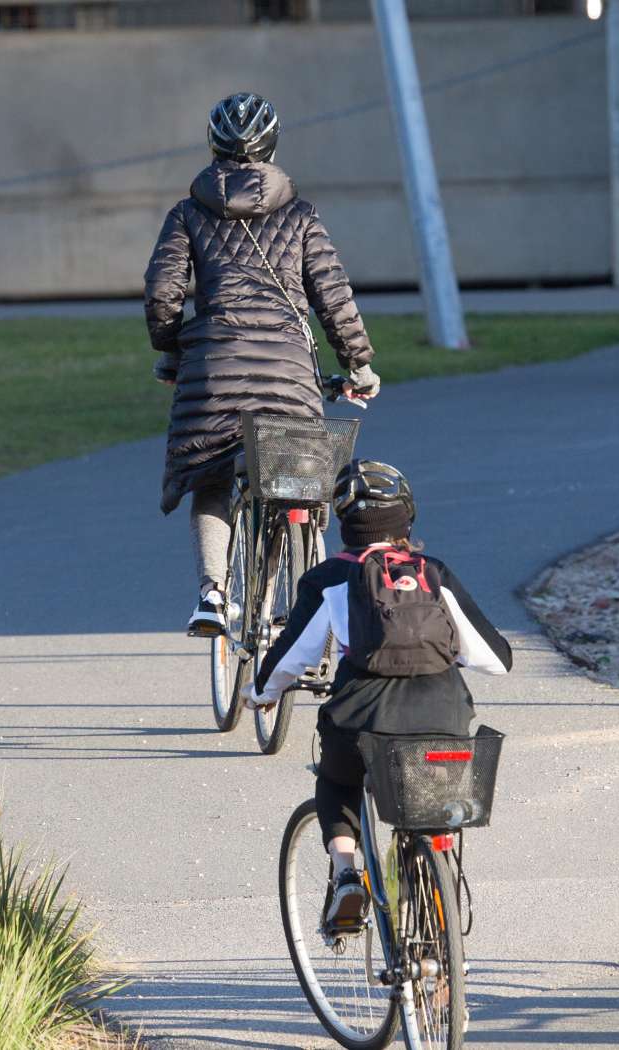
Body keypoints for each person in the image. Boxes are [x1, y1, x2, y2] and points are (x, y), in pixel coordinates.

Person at [145, 92, 381, 635]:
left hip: (211, 367)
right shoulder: (300, 216)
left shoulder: (186, 214)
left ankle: (212, 594)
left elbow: (162, 294)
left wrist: (171, 353)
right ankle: (309, 613)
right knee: (300, 479)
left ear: (213, 147)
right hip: (288, 369)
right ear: (272, 145)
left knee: (212, 476)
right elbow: (333, 296)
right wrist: (359, 364)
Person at [251, 460, 513, 928]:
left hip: (363, 716)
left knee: (338, 780)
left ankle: (348, 875)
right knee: (435, 809)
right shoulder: (432, 572)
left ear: (344, 524)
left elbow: (294, 655)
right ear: (407, 519)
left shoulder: (330, 578)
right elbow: (496, 659)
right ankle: (445, 953)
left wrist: (262, 693)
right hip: (442, 715)